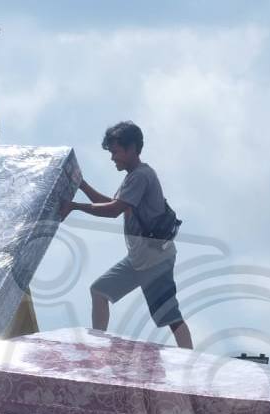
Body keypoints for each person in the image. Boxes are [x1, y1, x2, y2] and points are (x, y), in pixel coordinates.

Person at [61, 121, 193, 349]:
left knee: (168, 314)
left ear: (132, 148)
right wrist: (81, 184)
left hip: (155, 259)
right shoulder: (132, 177)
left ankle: (190, 358)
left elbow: (113, 211)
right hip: (138, 259)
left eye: (115, 151)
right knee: (99, 291)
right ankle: (97, 346)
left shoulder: (142, 176)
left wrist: (74, 207)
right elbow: (110, 203)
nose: (112, 158)